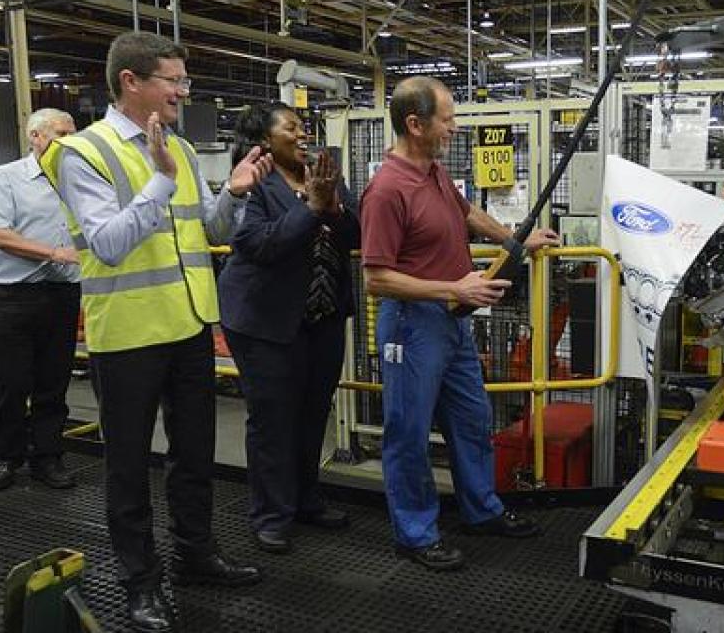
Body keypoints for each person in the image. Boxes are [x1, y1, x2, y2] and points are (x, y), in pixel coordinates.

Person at [40, 31, 272, 633]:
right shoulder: (82, 153)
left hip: (190, 322)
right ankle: (140, 582)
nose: (182, 92)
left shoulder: (183, 150)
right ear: (131, 82)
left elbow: (207, 230)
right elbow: (109, 245)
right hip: (128, 333)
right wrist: (160, 179)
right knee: (128, 466)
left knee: (194, 456)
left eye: (183, 80)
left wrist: (235, 195)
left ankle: (195, 555)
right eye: (174, 80)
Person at [360, 76, 561, 572]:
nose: (454, 128)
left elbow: (466, 212)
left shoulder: (433, 172)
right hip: (412, 326)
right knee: (408, 433)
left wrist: (516, 240)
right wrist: (454, 289)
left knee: (471, 419)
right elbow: (376, 279)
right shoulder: (386, 190)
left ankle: (482, 509)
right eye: (447, 120)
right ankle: (415, 533)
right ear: (415, 124)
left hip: (452, 322)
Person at [219, 103, 359, 553]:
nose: (303, 135)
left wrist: (333, 206)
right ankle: (271, 514)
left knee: (313, 413)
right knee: (273, 420)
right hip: (264, 321)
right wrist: (312, 208)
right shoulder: (254, 185)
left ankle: (305, 500)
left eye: (304, 127)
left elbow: (356, 235)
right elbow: (258, 244)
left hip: (322, 316)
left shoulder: (323, 175)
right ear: (265, 140)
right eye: (291, 128)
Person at [0, 107, 81, 492]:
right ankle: (6, 457)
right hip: (13, 297)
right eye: (62, 134)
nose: (71, 142)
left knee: (54, 382)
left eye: (73, 134)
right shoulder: (6, 177)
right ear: (35, 137)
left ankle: (47, 457)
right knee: (12, 382)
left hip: (62, 294)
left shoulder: (79, 181)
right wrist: (54, 253)